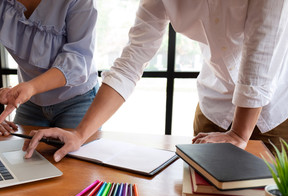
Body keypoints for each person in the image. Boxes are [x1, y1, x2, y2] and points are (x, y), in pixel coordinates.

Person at [16, 0, 288, 161]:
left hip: (277, 111)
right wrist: (79, 133)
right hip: (215, 107)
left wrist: (240, 134)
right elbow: (131, 61)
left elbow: (261, 51)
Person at [0, 0, 99, 136]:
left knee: (71, 155)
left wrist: (31, 87)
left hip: (78, 100)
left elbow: (79, 59)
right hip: (31, 102)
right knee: (16, 154)